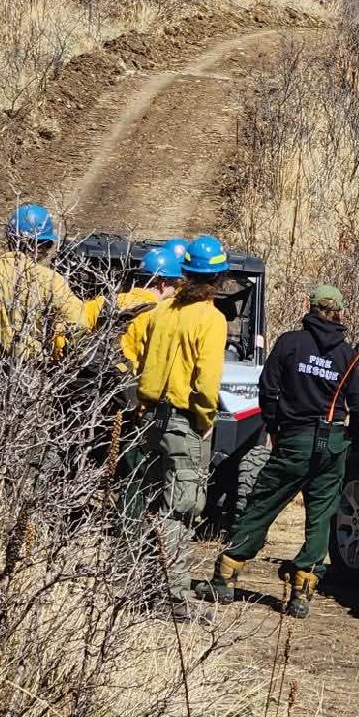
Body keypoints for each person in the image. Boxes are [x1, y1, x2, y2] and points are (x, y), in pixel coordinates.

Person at [196, 284, 359, 617]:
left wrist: (274, 427)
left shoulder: (291, 343)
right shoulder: (348, 355)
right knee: (321, 517)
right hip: (332, 444)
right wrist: (348, 436)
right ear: (340, 313)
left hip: (294, 440)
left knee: (263, 503)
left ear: (310, 307)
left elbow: (268, 388)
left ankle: (226, 576)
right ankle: (302, 592)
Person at [121, 232, 230, 619]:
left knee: (150, 505)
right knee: (179, 510)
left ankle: (141, 587)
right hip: (184, 424)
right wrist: (205, 419)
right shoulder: (212, 320)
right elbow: (207, 382)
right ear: (218, 278)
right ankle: (173, 599)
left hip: (149, 419)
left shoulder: (161, 311)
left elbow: (137, 360)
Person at [0, 204, 86, 364]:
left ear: (10, 238)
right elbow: (80, 323)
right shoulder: (49, 279)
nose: (47, 252)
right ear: (40, 246)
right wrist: (55, 350)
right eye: (48, 245)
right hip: (29, 369)